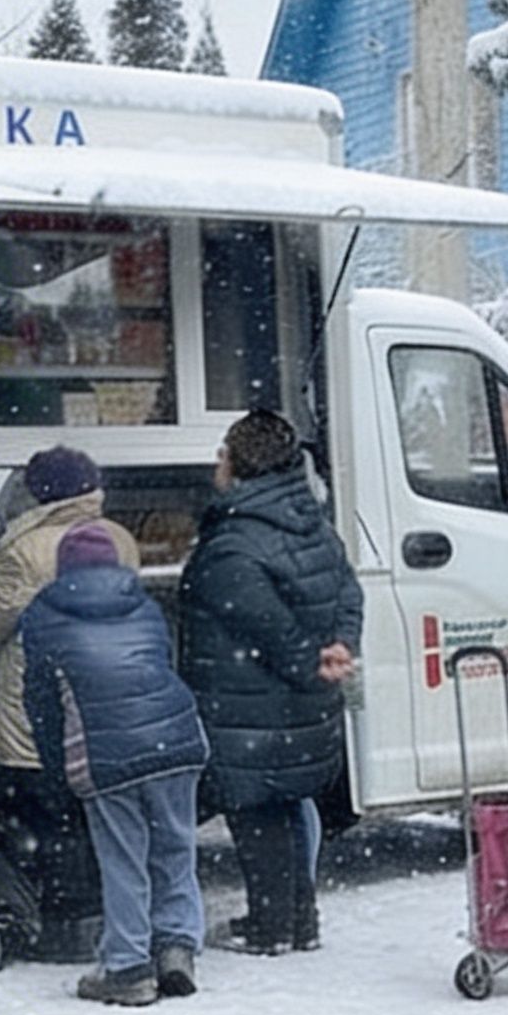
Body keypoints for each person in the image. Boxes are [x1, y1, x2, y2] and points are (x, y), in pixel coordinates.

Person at [178, 408, 361, 956]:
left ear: (239, 465)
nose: (217, 462)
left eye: (223, 453)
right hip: (298, 704)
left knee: (257, 814)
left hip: (250, 706)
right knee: (284, 807)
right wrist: (338, 649)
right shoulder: (310, 521)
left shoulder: (234, 540)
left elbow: (265, 623)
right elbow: (349, 594)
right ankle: (300, 921)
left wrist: (310, 659)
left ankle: (271, 926)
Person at [19, 521, 210, 1006]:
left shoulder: (43, 614)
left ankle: (127, 968)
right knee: (174, 848)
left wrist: (54, 766)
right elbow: (162, 661)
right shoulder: (143, 603)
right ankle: (175, 948)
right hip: (176, 737)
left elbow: (41, 700)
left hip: (107, 753)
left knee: (123, 858)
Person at [0, 444, 139, 953]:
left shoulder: (24, 551)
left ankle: (65, 927)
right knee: (93, 814)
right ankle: (98, 919)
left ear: (39, 493)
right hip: (101, 695)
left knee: (49, 816)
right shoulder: (119, 538)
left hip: (36, 702)